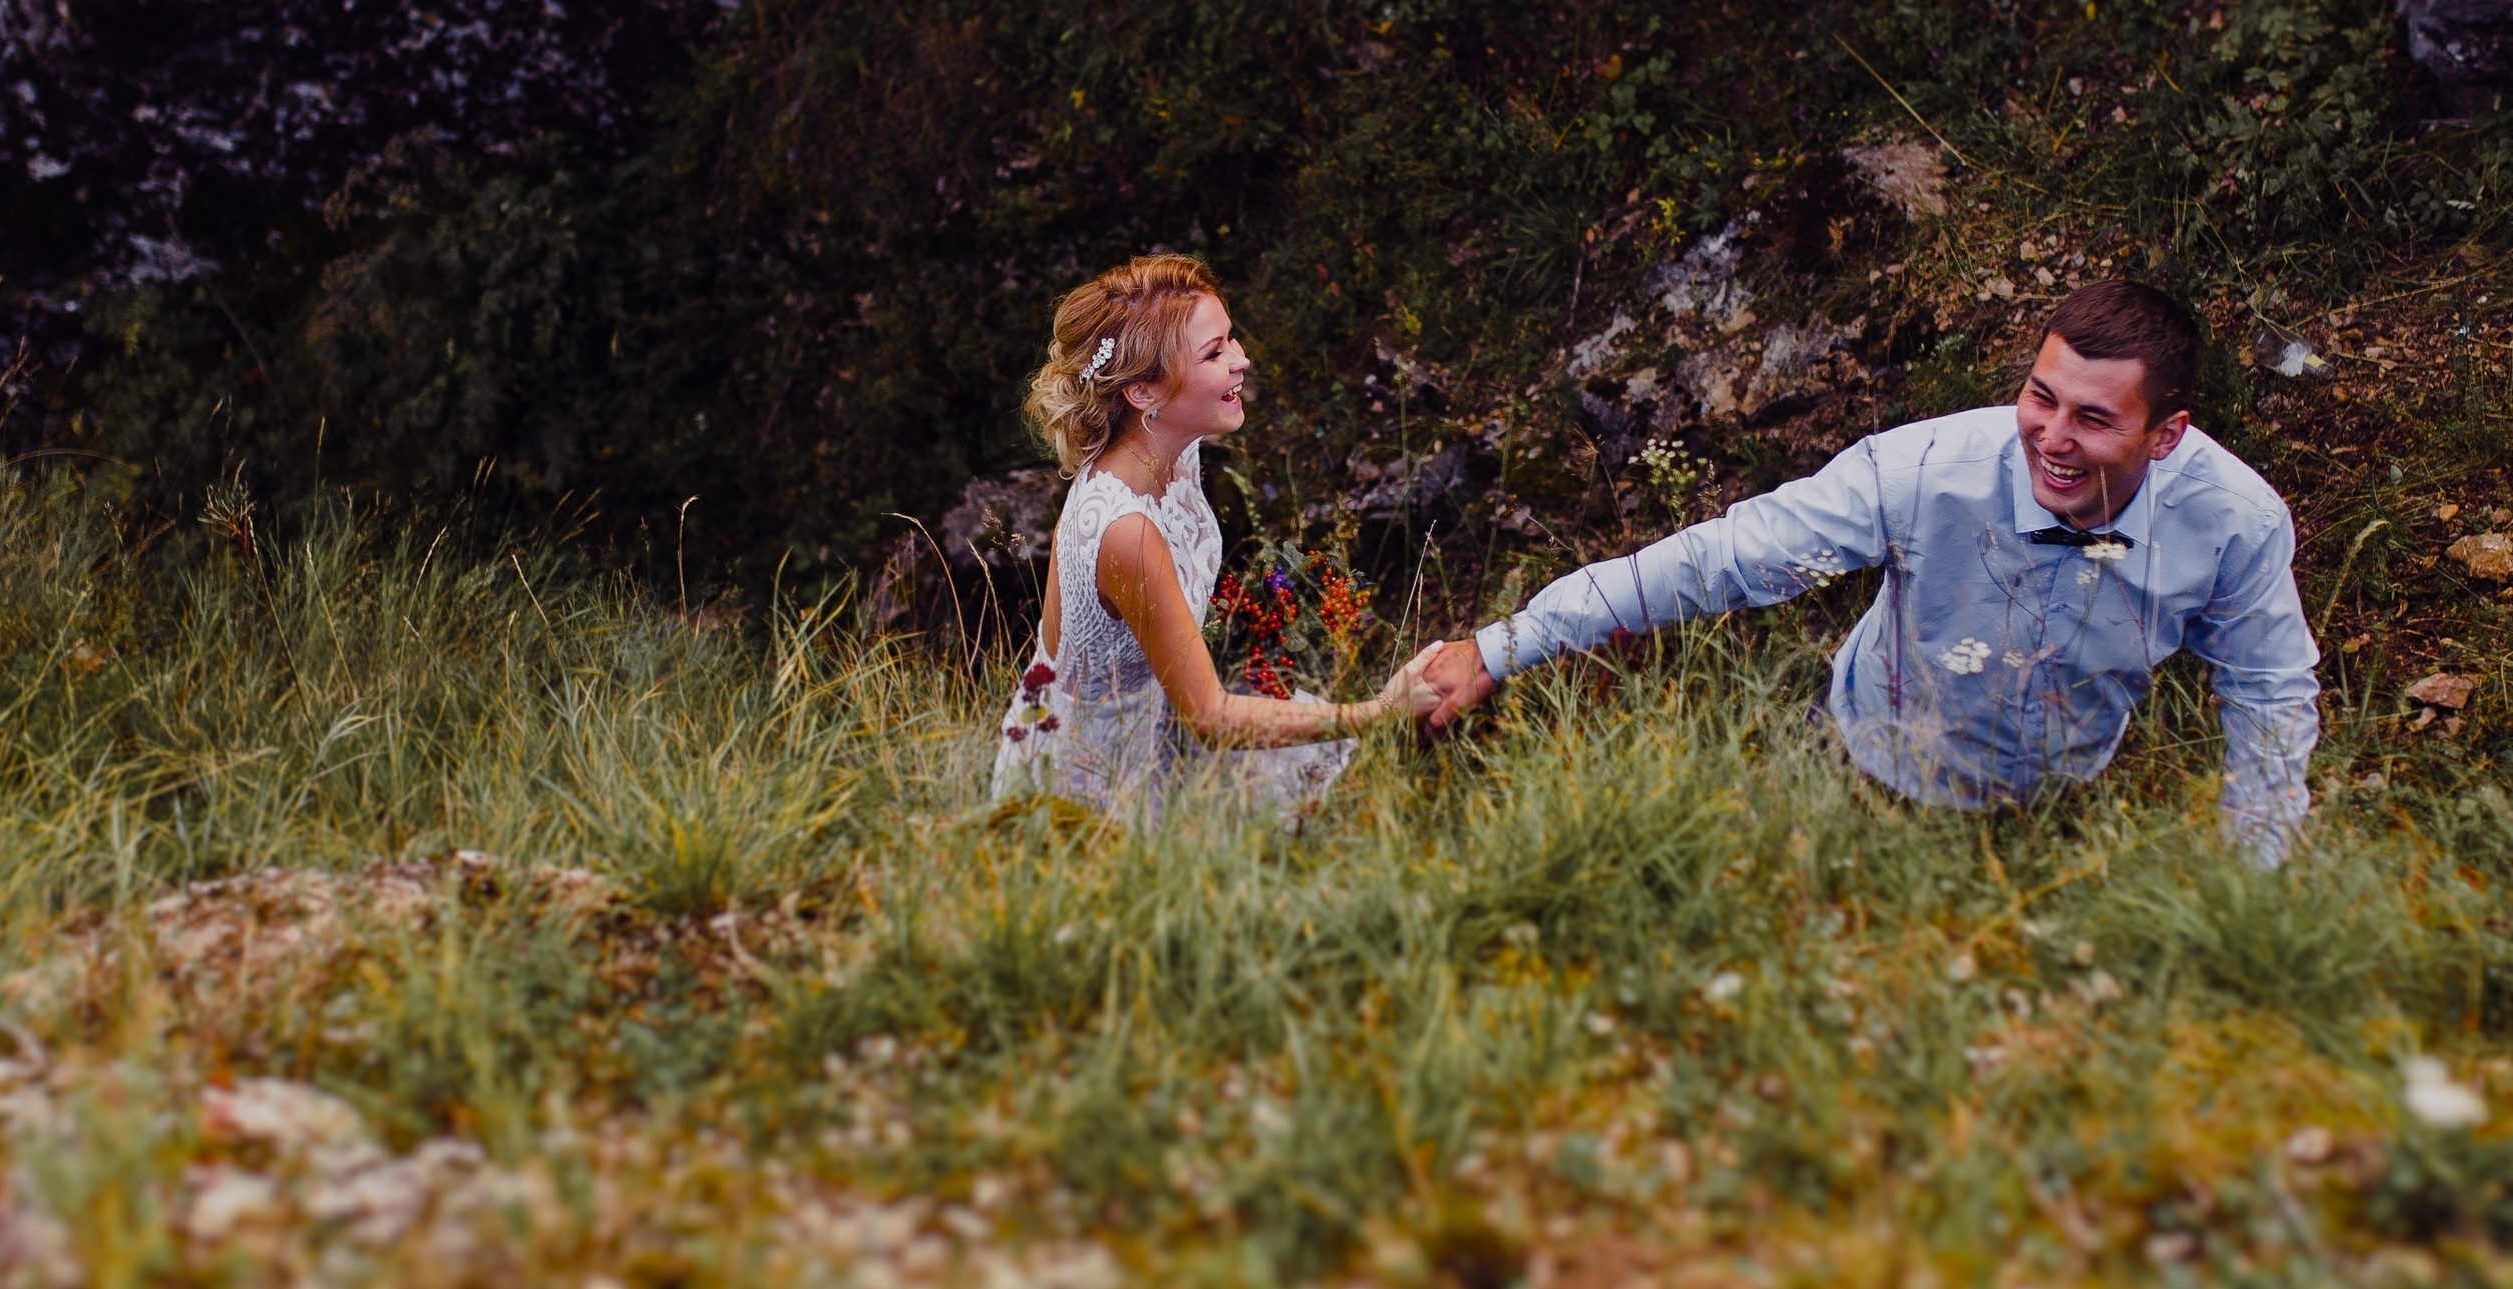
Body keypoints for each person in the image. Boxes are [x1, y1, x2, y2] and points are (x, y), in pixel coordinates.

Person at [1418, 281, 2322, 862]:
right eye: (2040, 397)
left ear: (2167, 434)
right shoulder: (1924, 469)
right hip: (1863, 763)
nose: (2052, 436)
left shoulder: (2237, 524)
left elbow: (2269, 694)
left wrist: (2253, 874)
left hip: (2064, 800)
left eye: (2093, 419)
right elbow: (1725, 557)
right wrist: (1502, 647)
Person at [994, 252, 1445, 819]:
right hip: (1093, 784)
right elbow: (1207, 716)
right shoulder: (1124, 530)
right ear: (1144, 393)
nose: (1243, 360)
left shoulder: (1169, 453)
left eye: (1231, 339)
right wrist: (1379, 709)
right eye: (1215, 352)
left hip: (1159, 724)